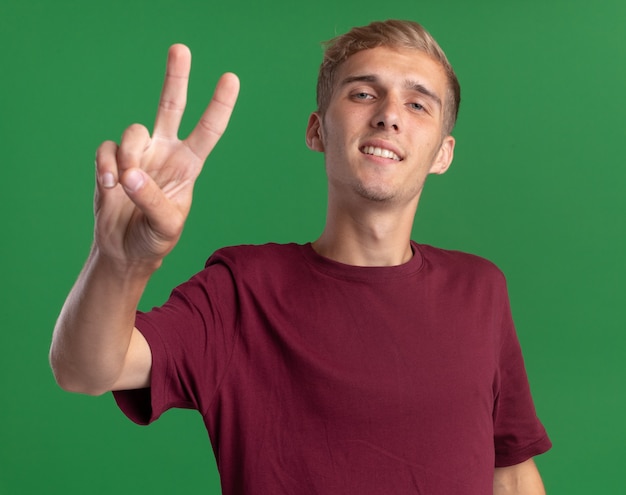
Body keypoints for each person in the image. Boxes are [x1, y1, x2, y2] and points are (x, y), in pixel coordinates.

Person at [50, 19, 551, 494]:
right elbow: (84, 370)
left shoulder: (480, 289)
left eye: (419, 105)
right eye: (362, 93)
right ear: (317, 131)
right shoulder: (242, 291)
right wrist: (119, 261)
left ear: (443, 153)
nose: (389, 114)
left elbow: (509, 472)